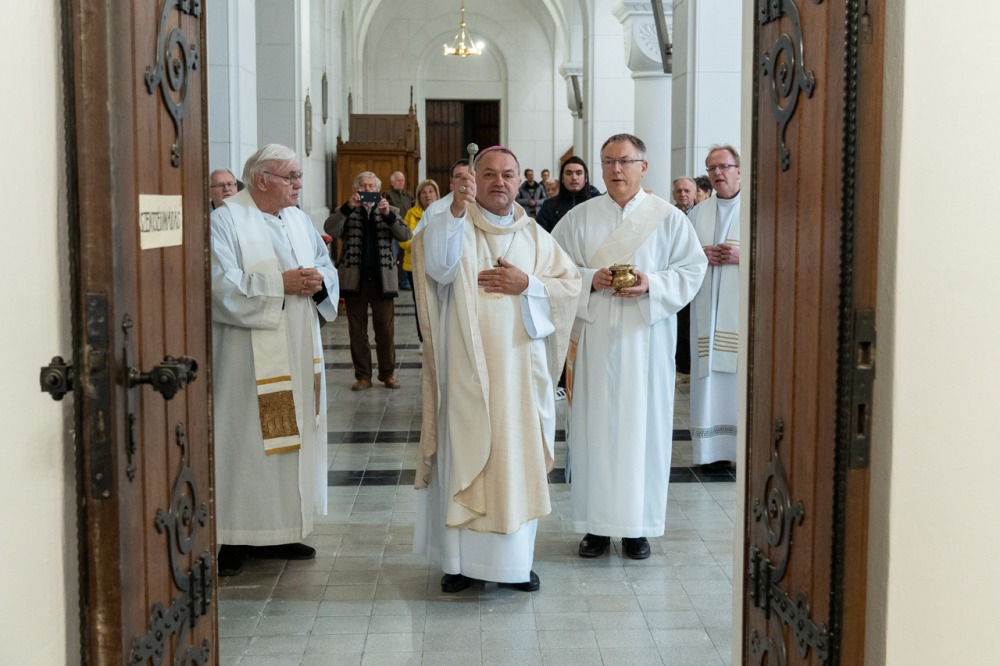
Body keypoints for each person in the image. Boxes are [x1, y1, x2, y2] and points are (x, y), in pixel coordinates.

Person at [411, 146, 581, 593]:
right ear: (472, 179)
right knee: (464, 453)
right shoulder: (452, 224)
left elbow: (569, 286)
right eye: (488, 174)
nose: (499, 182)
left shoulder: (534, 236)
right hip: (465, 371)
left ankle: (514, 565)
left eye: (507, 174)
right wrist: (454, 210)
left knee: (515, 462)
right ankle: (459, 563)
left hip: (520, 376)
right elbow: (438, 267)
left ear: (518, 182)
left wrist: (529, 285)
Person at [551, 134, 707, 561]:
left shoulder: (668, 218)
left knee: (644, 430)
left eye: (624, 161)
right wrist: (590, 279)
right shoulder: (579, 218)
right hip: (596, 342)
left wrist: (651, 283)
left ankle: (638, 527)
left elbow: (692, 269)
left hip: (647, 342)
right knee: (595, 430)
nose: (616, 169)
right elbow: (555, 270)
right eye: (608, 161)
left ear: (643, 166)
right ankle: (595, 527)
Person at [210, 144, 339, 576]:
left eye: (298, 175)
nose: (299, 184)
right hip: (249, 357)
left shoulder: (297, 219)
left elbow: (324, 263)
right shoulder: (226, 220)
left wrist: (320, 280)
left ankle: (281, 528)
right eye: (291, 176)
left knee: (291, 434)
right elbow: (219, 285)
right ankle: (235, 534)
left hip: (298, 349)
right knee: (249, 440)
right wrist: (279, 284)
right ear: (262, 180)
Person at [325, 171, 411, 391]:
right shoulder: (346, 210)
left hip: (383, 281)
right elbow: (330, 229)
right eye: (363, 186)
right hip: (355, 280)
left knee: (385, 331)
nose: (367, 189)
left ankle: (387, 374)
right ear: (357, 189)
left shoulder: (391, 210)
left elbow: (405, 235)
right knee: (357, 332)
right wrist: (347, 207)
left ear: (378, 190)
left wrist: (387, 214)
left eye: (371, 186)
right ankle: (363, 376)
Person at [688, 145, 742, 467]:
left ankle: (737, 449)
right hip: (705, 314)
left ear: (739, 170)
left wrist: (742, 256)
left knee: (737, 380)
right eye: (711, 168)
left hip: (740, 315)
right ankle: (710, 452)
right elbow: (681, 255)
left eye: (724, 166)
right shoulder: (698, 213)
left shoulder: (758, 208)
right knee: (707, 378)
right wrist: (700, 255)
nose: (717, 173)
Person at [399, 178, 440, 344]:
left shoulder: (444, 212)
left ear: (437, 194)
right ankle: (424, 340)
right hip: (414, 266)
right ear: (418, 196)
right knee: (421, 304)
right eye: (424, 192)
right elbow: (404, 241)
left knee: (439, 303)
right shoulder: (411, 214)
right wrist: (422, 243)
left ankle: (440, 338)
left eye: (431, 192)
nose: (427, 195)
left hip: (437, 265)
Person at [671, 176, 699, 377]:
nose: (682, 194)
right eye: (679, 190)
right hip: (674, 275)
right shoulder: (668, 214)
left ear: (695, 193)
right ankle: (681, 363)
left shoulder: (702, 214)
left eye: (687, 190)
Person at [535, 156, 599, 233]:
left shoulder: (597, 202)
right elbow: (540, 235)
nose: (574, 177)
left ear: (585, 177)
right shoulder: (549, 205)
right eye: (569, 173)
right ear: (562, 178)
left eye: (579, 173)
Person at [384, 171, 415, 290]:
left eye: (402, 180)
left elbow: (414, 208)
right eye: (398, 180)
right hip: (393, 231)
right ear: (392, 182)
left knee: (405, 257)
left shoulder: (408, 195)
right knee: (393, 256)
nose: (401, 182)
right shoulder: (387, 195)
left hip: (406, 230)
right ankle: (392, 282)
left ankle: (405, 282)